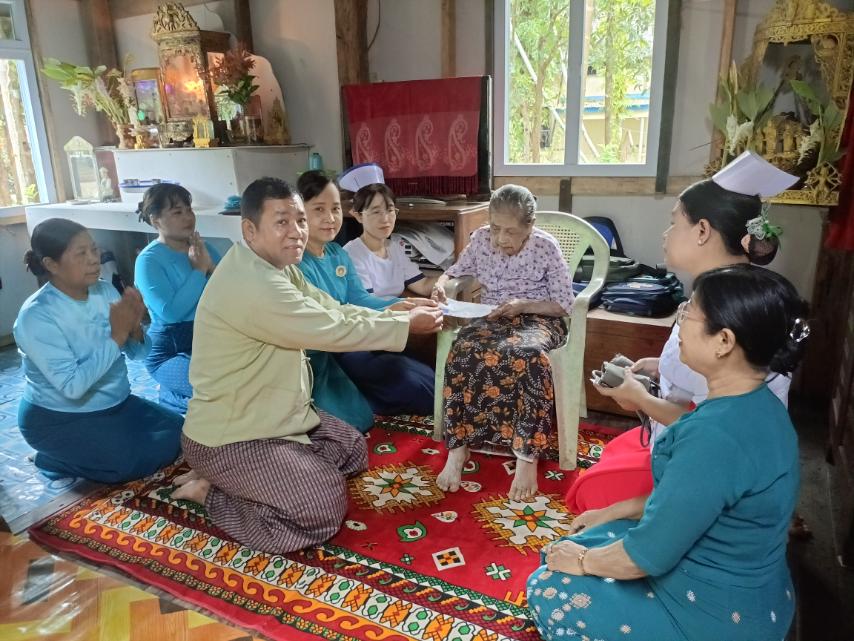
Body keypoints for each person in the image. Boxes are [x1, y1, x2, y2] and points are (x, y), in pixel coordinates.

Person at [527, 264, 809, 641]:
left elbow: (646, 556)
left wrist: (581, 562)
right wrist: (611, 511)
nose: (681, 320)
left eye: (689, 311)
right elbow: (687, 499)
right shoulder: (760, 405)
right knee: (591, 533)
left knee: (549, 584)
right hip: (757, 595)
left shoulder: (714, 437)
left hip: (715, 617)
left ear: (723, 341)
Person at [172, 177, 443, 554]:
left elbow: (333, 309)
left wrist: (397, 311)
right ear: (249, 230)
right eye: (282, 222)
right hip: (233, 435)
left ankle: (259, 479)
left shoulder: (278, 268)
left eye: (300, 220)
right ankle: (212, 492)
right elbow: (331, 329)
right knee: (322, 507)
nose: (297, 231)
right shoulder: (254, 284)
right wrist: (404, 325)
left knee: (351, 448)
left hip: (278, 417)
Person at [566, 174, 793, 514]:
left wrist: (640, 399)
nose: (666, 234)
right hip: (686, 437)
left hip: (712, 463)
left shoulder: (728, 313)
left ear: (702, 231)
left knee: (588, 494)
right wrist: (659, 367)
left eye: (674, 223)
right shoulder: (720, 293)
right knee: (611, 458)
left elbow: (715, 423)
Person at [431, 184, 575, 501]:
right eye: (495, 228)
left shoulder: (545, 247)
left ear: (529, 226)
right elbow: (453, 272)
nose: (499, 239)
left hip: (538, 319)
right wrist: (440, 285)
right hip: (493, 317)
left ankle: (526, 457)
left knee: (528, 356)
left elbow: (564, 305)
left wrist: (523, 305)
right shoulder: (481, 240)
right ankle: (458, 447)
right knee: (463, 349)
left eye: (510, 231)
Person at [13, 218, 183, 483]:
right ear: (51, 264)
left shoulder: (104, 290)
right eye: (81, 253)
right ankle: (52, 458)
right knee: (132, 462)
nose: (94, 259)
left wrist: (135, 329)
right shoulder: (36, 316)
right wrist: (117, 336)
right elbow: (73, 387)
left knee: (183, 433)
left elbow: (139, 355)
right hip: (59, 418)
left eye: (93, 249)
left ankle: (97, 449)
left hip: (117, 405)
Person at [296, 170, 436, 426]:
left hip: (357, 338)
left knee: (430, 378)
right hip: (330, 350)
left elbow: (360, 299)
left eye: (335, 209)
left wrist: (402, 305)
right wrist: (399, 315)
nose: (330, 218)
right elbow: (328, 322)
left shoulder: (337, 253)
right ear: (300, 213)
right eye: (319, 209)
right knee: (413, 388)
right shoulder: (297, 263)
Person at [134, 184, 221, 413]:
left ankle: (178, 394)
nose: (188, 217)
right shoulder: (148, 260)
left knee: (253, 381)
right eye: (177, 212)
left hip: (211, 341)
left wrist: (212, 268)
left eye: (189, 210)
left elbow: (231, 295)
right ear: (155, 220)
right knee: (216, 391)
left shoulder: (205, 249)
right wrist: (199, 270)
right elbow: (171, 313)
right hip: (169, 350)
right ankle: (172, 398)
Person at [341, 164, 435, 298]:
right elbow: (367, 303)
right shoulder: (352, 254)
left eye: (390, 210)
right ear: (358, 216)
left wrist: (452, 274)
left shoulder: (394, 248)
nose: (385, 219)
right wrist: (411, 305)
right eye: (376, 212)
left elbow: (423, 286)